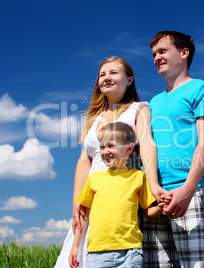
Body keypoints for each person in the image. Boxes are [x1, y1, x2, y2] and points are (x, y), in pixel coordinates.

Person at [55, 56, 160, 268]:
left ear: (129, 80)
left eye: (113, 73)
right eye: (102, 74)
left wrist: (154, 185)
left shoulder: (139, 109)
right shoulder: (94, 117)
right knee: (79, 254)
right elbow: (84, 159)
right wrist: (77, 201)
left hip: (121, 193)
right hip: (94, 192)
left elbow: (147, 144)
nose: (106, 78)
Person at [143, 31, 204, 267]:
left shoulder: (203, 90)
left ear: (184, 53)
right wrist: (153, 190)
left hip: (191, 192)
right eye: (154, 54)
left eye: (163, 51)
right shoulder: (154, 102)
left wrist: (187, 190)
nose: (157, 57)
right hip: (156, 198)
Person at [69, 122, 164, 268]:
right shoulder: (94, 179)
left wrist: (162, 206)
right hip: (97, 252)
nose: (105, 151)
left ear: (129, 149)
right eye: (102, 147)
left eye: (111, 145)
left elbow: (149, 211)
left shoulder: (138, 177)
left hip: (130, 252)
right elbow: (84, 216)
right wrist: (75, 246)